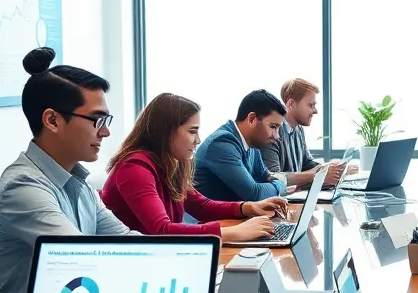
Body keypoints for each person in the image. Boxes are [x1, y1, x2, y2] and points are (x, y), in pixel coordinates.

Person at [0, 47, 134, 293]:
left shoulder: (77, 182)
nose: (104, 131)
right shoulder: (23, 188)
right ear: (52, 120)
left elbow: (126, 241)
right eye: (96, 120)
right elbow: (83, 261)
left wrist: (188, 262)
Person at [101, 92, 289, 241]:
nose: (198, 140)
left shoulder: (172, 164)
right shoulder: (134, 168)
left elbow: (201, 205)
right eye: (192, 132)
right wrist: (233, 233)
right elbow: (161, 230)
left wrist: (248, 207)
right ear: (166, 132)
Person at [193, 89, 289, 202]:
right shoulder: (221, 143)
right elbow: (255, 193)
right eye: (273, 127)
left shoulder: (252, 145)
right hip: (213, 219)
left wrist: (273, 184)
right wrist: (281, 185)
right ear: (251, 118)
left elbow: (265, 177)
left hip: (237, 217)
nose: (277, 136)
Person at [259, 78, 346, 188]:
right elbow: (272, 177)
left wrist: (332, 168)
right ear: (291, 104)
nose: (315, 111)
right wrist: (319, 175)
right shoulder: (272, 132)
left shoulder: (298, 129)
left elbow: (306, 164)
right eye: (311, 105)